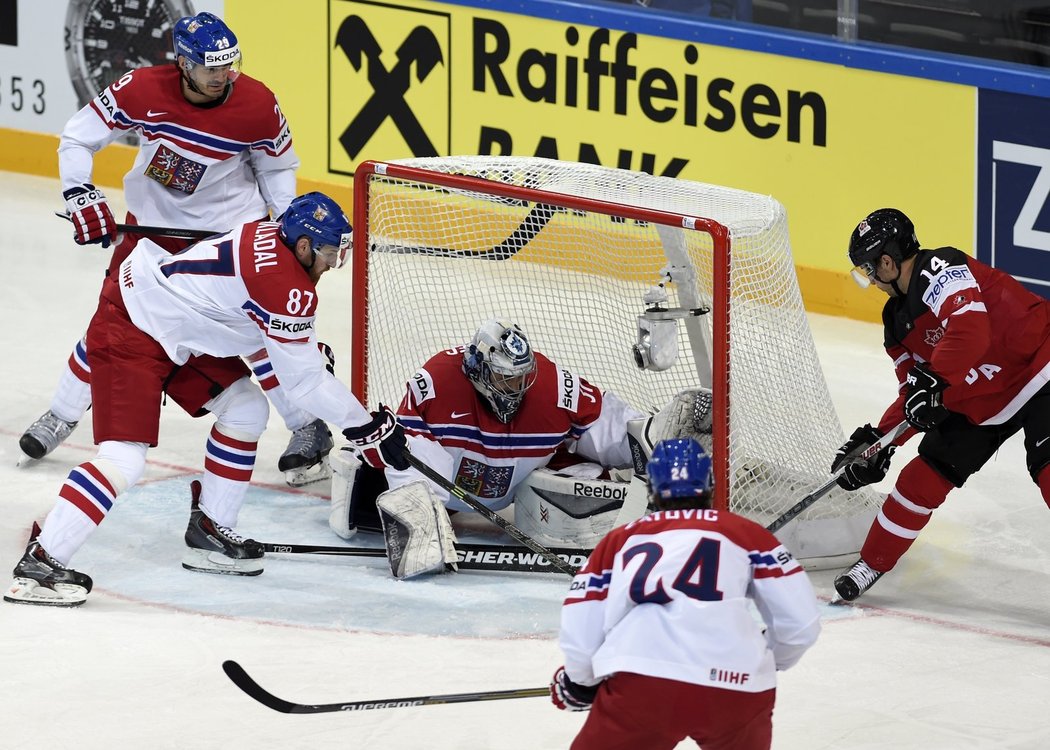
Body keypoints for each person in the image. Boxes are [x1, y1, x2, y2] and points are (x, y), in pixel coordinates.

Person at [3, 192, 408, 607]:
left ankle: (210, 531)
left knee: (246, 409)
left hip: (173, 328)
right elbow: (303, 382)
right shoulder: (284, 283)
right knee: (123, 458)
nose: (332, 264)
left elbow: (253, 329)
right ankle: (41, 563)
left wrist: (302, 354)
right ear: (302, 246)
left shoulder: (270, 239)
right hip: (132, 328)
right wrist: (366, 428)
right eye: (327, 253)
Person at [19, 11, 334, 487]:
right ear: (183, 65)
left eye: (230, 65)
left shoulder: (257, 103)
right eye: (212, 68)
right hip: (150, 234)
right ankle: (63, 413)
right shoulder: (141, 89)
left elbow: (276, 167)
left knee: (262, 332)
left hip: (228, 238)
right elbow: (78, 136)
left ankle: (308, 425)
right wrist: (79, 191)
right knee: (115, 324)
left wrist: (287, 224)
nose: (225, 76)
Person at [328, 319, 712, 577]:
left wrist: (652, 439)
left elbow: (607, 424)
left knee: (591, 470)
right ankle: (421, 527)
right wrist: (408, 490)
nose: (517, 388)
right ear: (477, 368)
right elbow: (403, 452)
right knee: (393, 458)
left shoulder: (551, 386)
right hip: (448, 489)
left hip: (519, 485)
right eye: (505, 379)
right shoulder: (436, 381)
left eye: (522, 377)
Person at [830, 207, 1050, 601]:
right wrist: (881, 441)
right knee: (920, 479)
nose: (871, 280)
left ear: (887, 262)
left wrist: (935, 378)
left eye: (869, 269)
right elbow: (914, 393)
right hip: (978, 399)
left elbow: (971, 330)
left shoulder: (939, 267)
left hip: (1040, 368)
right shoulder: (896, 322)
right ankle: (872, 563)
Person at [550, 438, 821, 750]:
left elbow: (582, 620)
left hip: (645, 680)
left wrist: (580, 681)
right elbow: (801, 626)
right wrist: (768, 657)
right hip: (737, 685)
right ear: (709, 484)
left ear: (651, 486)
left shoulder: (621, 539)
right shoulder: (749, 534)